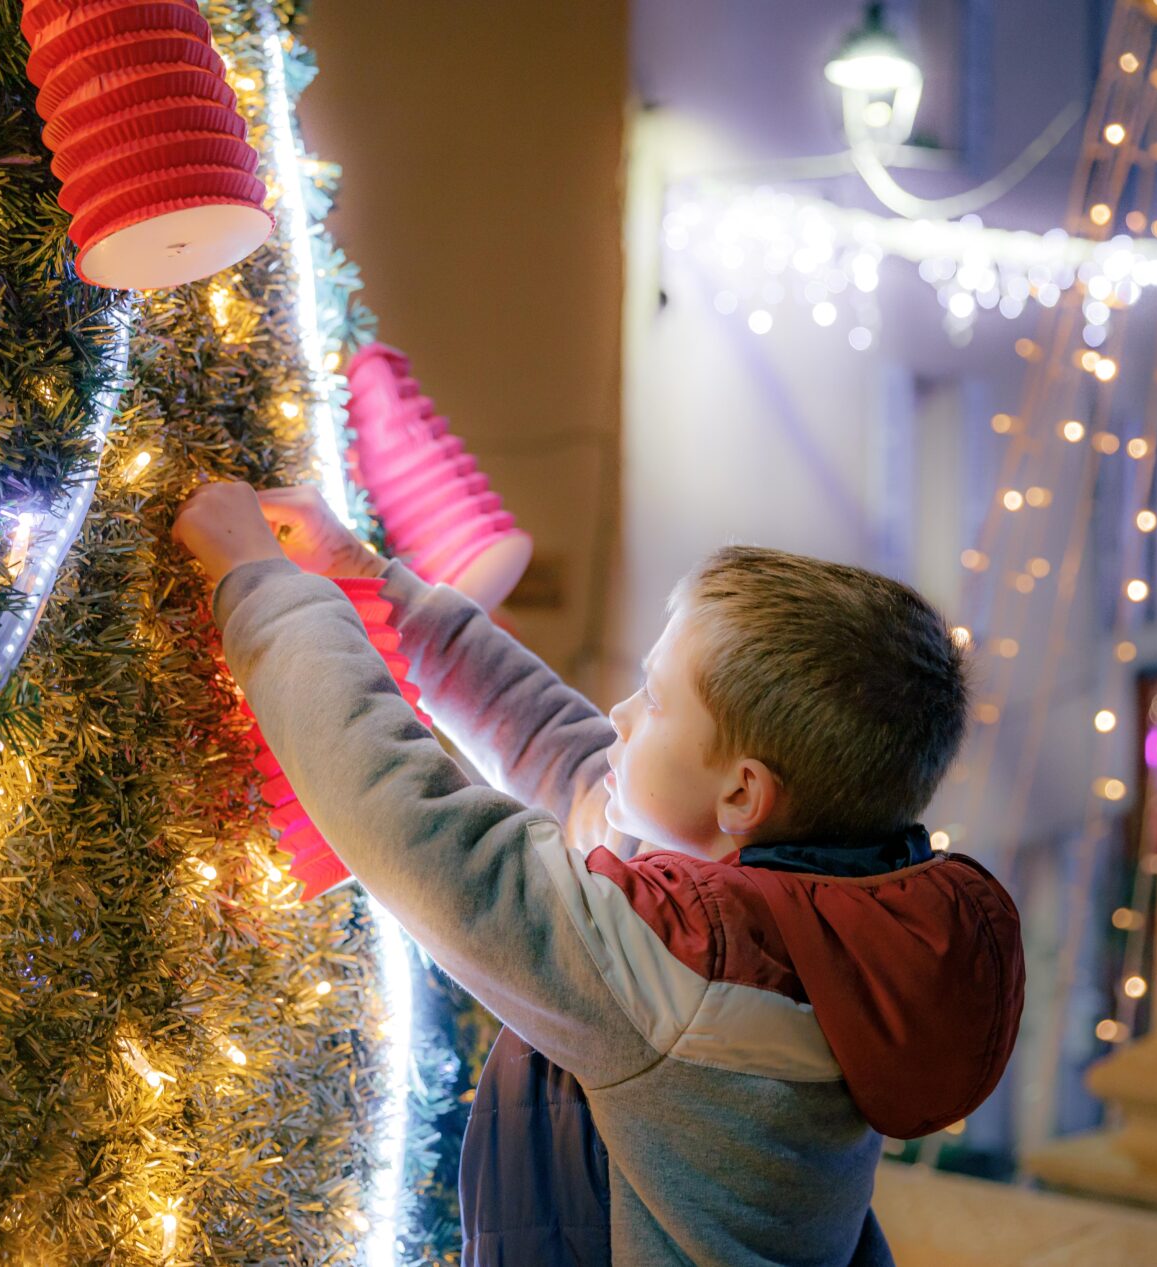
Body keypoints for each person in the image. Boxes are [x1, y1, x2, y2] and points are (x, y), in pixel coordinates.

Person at [173, 480, 1024, 1267]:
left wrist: (263, 587)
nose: (619, 713)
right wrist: (370, 581)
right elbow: (566, 757)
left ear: (742, 793)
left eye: (652, 700)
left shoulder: (683, 970)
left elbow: (415, 825)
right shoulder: (819, 912)